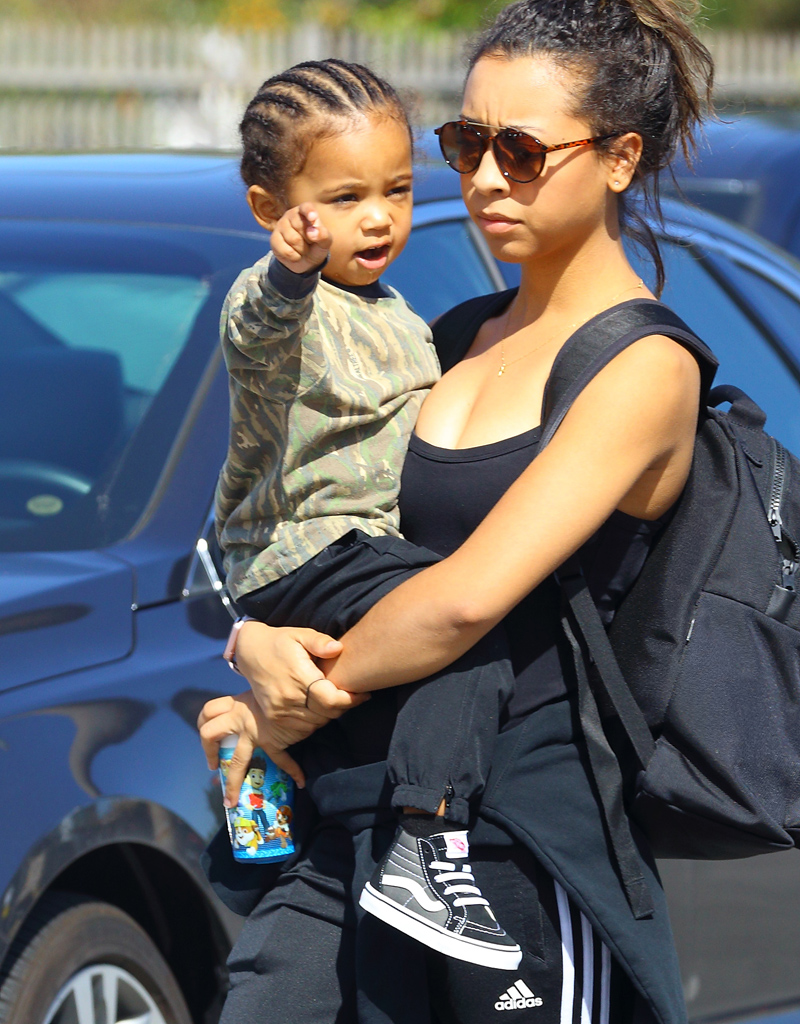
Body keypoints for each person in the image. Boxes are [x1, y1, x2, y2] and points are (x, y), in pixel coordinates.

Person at [199, 2, 714, 1022]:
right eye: (466, 142)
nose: (481, 177)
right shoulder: (452, 335)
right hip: (352, 816)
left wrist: (290, 691)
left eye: (518, 150)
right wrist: (252, 636)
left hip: (512, 845)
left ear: (617, 158)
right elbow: (317, 504)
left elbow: (458, 603)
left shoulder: (641, 368)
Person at [214, 55, 528, 968]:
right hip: (313, 548)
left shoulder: (394, 311)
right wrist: (288, 273)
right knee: (463, 614)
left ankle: (260, 823)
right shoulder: (281, 297)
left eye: (396, 188)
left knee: (309, 731)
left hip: (343, 561)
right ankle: (428, 839)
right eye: (345, 196)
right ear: (271, 210)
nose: (382, 215)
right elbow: (255, 336)